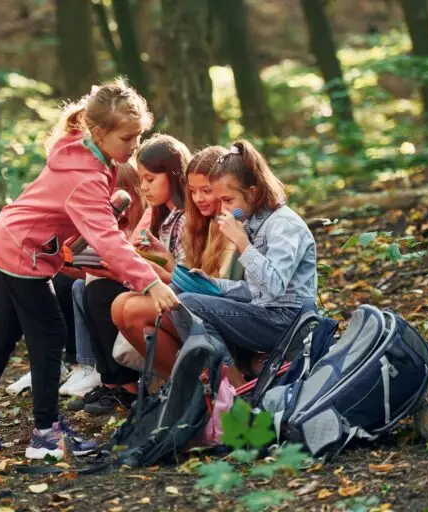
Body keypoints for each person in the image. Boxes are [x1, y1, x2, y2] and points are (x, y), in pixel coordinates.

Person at [0, 78, 180, 460]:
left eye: (139, 135)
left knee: (4, 328)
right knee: (51, 334)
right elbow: (108, 241)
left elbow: (81, 216)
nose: (134, 146)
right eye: (127, 138)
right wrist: (150, 282)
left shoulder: (85, 152)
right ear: (100, 132)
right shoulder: (85, 176)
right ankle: (45, 435)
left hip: (13, 238)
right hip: (25, 252)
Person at [171, 139, 318, 380]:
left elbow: (274, 286)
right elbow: (255, 290)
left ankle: (234, 386)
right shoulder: (252, 222)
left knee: (189, 303)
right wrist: (215, 285)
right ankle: (227, 375)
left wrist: (243, 244)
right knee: (180, 292)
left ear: (253, 193)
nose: (225, 209)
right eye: (221, 202)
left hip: (291, 321)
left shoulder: (284, 225)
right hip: (269, 314)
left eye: (228, 201)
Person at [69, 134, 189, 415]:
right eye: (142, 180)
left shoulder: (184, 216)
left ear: (173, 175)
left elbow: (181, 269)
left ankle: (128, 386)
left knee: (99, 292)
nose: (144, 187)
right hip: (157, 282)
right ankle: (112, 382)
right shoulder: (157, 213)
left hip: (175, 290)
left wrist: (135, 268)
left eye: (150, 179)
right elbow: (133, 250)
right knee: (87, 287)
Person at [112, 145, 246, 380]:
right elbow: (194, 275)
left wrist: (161, 274)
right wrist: (165, 259)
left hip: (221, 314)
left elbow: (220, 289)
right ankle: (182, 388)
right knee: (121, 304)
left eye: (206, 191)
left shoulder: (230, 224)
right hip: (198, 303)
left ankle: (197, 388)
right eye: (192, 191)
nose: (197, 199)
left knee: (131, 309)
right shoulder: (200, 222)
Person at [59, 162, 147, 397]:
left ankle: (123, 384)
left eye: (123, 198)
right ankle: (100, 374)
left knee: (95, 291)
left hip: (137, 287)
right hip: (114, 283)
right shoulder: (110, 224)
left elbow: (136, 266)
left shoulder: (142, 224)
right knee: (77, 285)